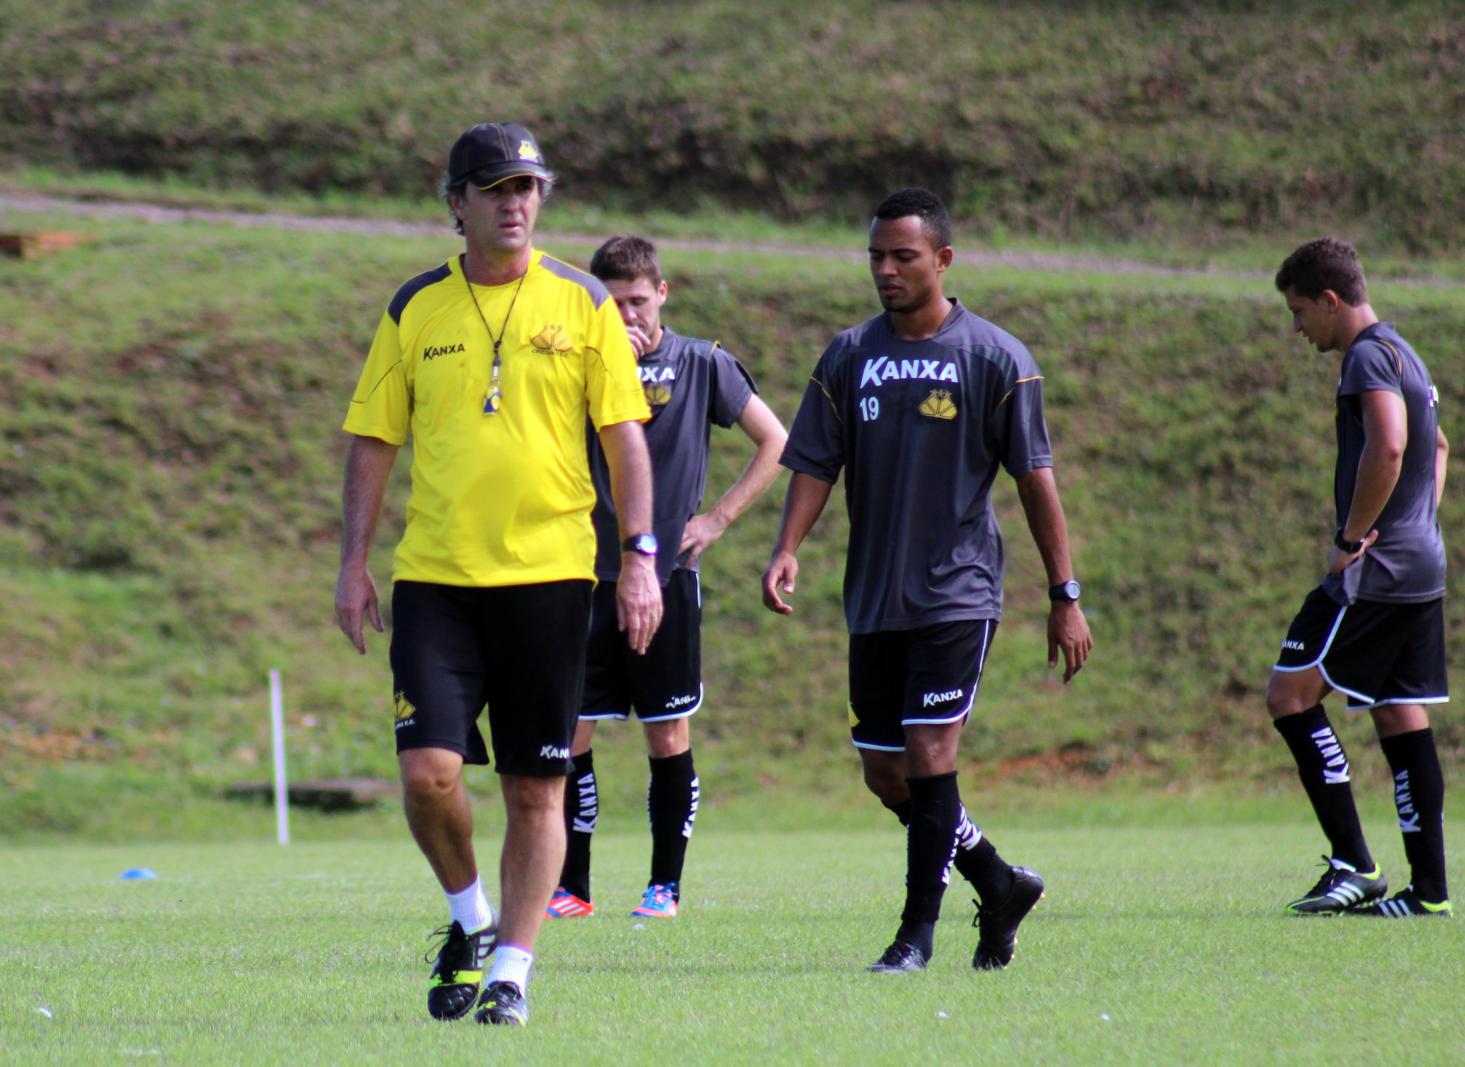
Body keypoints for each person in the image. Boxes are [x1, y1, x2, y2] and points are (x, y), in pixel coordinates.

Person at [333, 121, 661, 1028]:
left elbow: (623, 439)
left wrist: (640, 559)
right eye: (494, 189)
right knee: (428, 772)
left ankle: (512, 971)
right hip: (436, 580)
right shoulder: (414, 307)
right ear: (456, 205)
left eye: (527, 188)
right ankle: (470, 918)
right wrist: (352, 562)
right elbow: (372, 439)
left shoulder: (584, 300)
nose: (515, 204)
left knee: (534, 786)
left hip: (553, 579)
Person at [762, 187, 1093, 972]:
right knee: (885, 771)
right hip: (874, 596)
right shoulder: (848, 354)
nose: (885, 269)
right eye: (875, 255)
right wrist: (786, 547)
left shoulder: (994, 358)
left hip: (957, 590)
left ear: (941, 260)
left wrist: (1064, 594)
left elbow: (1034, 479)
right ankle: (998, 879)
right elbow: (814, 461)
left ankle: (915, 936)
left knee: (928, 751)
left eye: (902, 256)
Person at [546, 235, 788, 920]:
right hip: (583, 574)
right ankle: (572, 886)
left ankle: (664, 886)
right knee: (571, 734)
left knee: (665, 731)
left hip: (667, 578)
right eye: (611, 303)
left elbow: (776, 441)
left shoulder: (701, 362)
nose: (626, 314)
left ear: (662, 293)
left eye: (636, 300)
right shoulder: (576, 366)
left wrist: (717, 519)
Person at [1268, 237, 1451, 918]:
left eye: (1297, 312)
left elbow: (1394, 441)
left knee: (1288, 696)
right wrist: (1414, 521)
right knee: (1398, 711)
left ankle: (1353, 863)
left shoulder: (1367, 357)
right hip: (1417, 561)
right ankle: (1428, 892)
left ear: (1329, 299)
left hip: (1373, 569)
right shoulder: (1406, 352)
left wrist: (1352, 538)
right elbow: (1437, 447)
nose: (1296, 328)